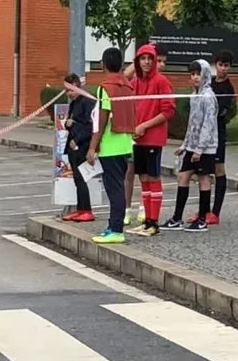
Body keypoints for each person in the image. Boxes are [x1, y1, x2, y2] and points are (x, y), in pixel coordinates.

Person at [160, 59, 218, 232]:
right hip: (192, 146)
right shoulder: (194, 96)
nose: (195, 77)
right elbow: (192, 124)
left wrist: (200, 149)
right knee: (183, 177)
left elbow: (208, 124)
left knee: (203, 179)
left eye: (198, 74)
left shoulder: (209, 96)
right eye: (192, 74)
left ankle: (202, 219)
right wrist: (185, 145)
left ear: (205, 74)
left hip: (206, 148)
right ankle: (177, 218)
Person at [87, 47, 136, 244]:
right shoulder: (128, 86)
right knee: (119, 187)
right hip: (125, 144)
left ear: (103, 64)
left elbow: (102, 119)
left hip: (110, 145)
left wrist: (92, 147)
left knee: (114, 189)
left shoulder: (105, 87)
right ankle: (113, 226)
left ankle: (116, 229)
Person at [126, 43, 175, 237]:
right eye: (142, 58)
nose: (146, 62)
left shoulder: (161, 81)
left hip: (153, 139)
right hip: (138, 138)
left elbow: (168, 111)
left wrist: (145, 126)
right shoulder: (136, 81)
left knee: (154, 179)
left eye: (149, 58)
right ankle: (147, 221)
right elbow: (127, 98)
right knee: (143, 179)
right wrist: (133, 126)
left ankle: (154, 222)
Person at [188, 50, 235, 226]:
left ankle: (215, 212)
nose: (222, 69)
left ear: (230, 67)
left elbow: (219, 112)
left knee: (219, 170)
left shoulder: (228, 89)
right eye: (220, 65)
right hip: (202, 134)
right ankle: (203, 210)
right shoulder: (209, 83)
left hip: (218, 133)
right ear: (215, 65)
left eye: (226, 65)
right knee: (204, 172)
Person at [61, 72, 96, 222]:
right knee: (76, 177)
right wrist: (68, 124)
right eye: (67, 90)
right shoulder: (73, 104)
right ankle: (80, 208)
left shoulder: (87, 102)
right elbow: (71, 122)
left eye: (72, 90)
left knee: (81, 178)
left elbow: (90, 125)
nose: (69, 94)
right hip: (73, 145)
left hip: (82, 145)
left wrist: (78, 139)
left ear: (79, 87)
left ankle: (86, 209)